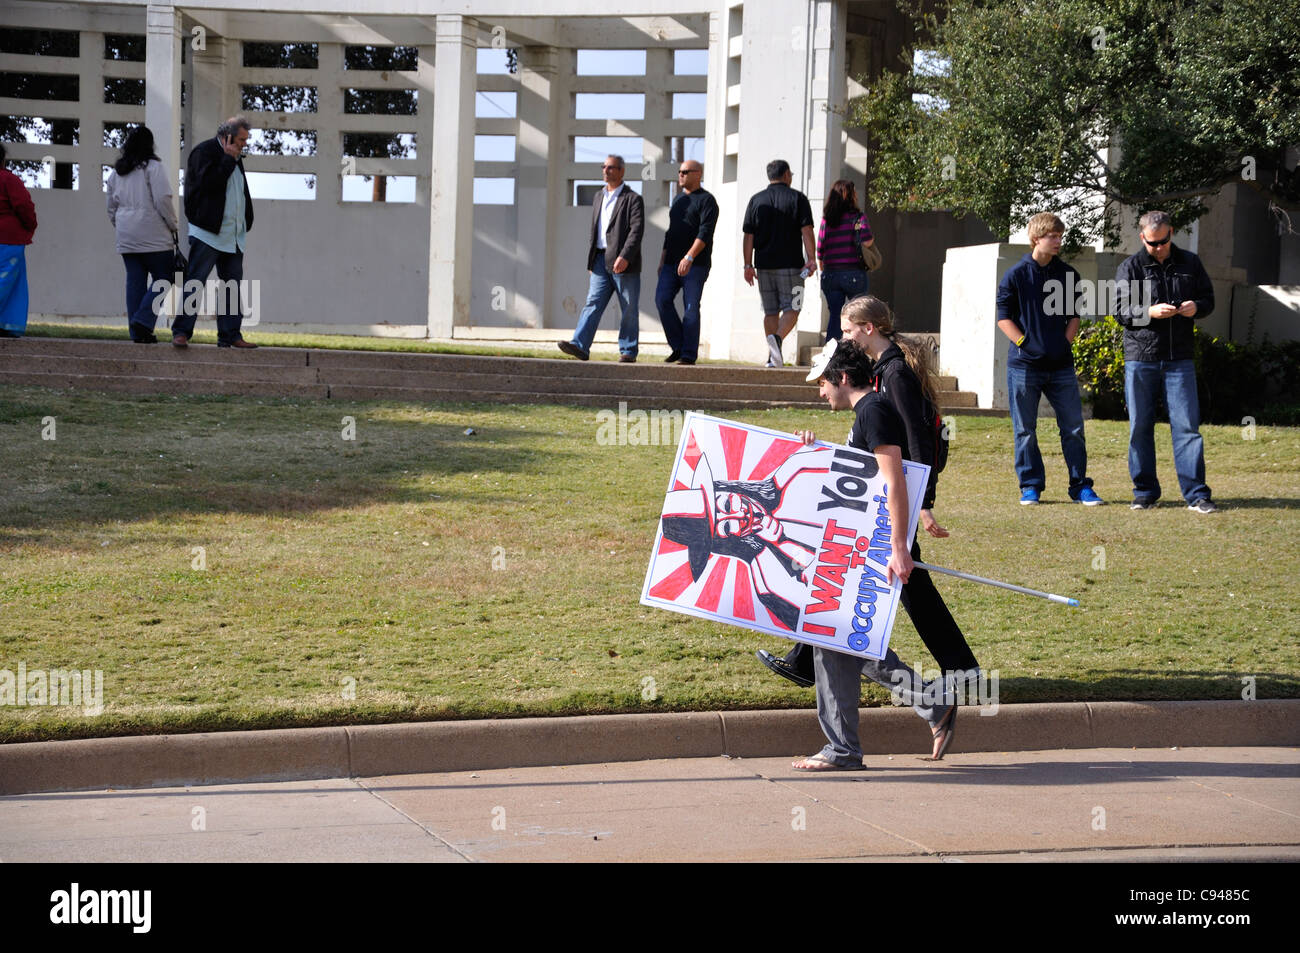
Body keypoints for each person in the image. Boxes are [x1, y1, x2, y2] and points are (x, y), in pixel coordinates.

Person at [757, 296, 980, 701]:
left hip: (896, 498)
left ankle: (960, 673)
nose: (844, 337)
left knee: (893, 585)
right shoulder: (883, 371)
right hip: (885, 497)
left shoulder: (893, 374)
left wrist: (923, 500)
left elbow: (915, 438)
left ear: (868, 329)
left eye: (847, 330)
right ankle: (961, 671)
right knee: (887, 583)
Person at [790, 339, 957, 770]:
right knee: (843, 639)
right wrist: (814, 447)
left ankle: (845, 747)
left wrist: (899, 547)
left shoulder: (875, 410)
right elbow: (857, 476)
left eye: (824, 383)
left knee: (837, 637)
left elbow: (892, 481)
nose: (821, 391)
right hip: (863, 546)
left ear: (843, 378)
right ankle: (927, 707)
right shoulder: (868, 413)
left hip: (874, 549)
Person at [995, 212, 1103, 505]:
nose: (1057, 241)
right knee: (1025, 430)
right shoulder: (1016, 275)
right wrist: (1024, 343)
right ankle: (1030, 486)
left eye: (1059, 236)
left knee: (1073, 428)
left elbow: (1073, 316)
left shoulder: (1068, 275)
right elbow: (1003, 318)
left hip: (1061, 367)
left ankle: (1080, 486)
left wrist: (1062, 345)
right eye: (1052, 236)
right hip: (1024, 367)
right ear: (1036, 238)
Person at [1114, 210, 1217, 513]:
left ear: (1172, 232)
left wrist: (1195, 307)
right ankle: (1144, 492)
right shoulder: (1130, 267)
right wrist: (1149, 312)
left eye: (1164, 241)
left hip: (1180, 358)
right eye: (1152, 243)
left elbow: (1208, 299)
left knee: (1187, 427)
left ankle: (1197, 495)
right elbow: (1120, 310)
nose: (1159, 248)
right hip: (1141, 358)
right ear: (1142, 236)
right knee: (1140, 427)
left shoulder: (1191, 263)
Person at [172, 116, 256, 349]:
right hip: (208, 233)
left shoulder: (236, 158)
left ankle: (230, 335)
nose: (244, 144)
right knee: (196, 281)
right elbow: (209, 185)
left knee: (232, 285)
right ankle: (181, 332)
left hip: (233, 235)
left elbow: (237, 191)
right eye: (241, 139)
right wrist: (228, 159)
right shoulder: (205, 152)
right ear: (227, 136)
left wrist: (246, 220)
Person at [559, 155, 644, 363]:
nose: (606, 171)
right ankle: (580, 345)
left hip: (624, 262)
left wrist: (625, 256)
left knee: (629, 308)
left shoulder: (633, 199)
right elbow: (595, 230)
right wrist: (591, 260)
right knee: (593, 303)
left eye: (611, 168)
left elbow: (636, 230)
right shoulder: (598, 196)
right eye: (604, 167)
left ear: (622, 171)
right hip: (599, 260)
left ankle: (628, 350)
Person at [105, 126, 178, 343]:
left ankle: (137, 332)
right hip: (154, 235)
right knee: (164, 279)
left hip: (127, 236)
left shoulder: (117, 172)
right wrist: (173, 225)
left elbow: (111, 207)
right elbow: (163, 200)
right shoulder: (154, 167)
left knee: (135, 283)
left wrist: (121, 225)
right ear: (150, 145)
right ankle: (144, 321)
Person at [742, 159, 815, 367]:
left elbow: (749, 236)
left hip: (763, 266)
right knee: (794, 307)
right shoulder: (798, 198)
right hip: (793, 266)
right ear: (786, 175)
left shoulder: (756, 200)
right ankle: (777, 339)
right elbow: (807, 231)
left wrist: (748, 265)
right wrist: (811, 259)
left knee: (770, 311)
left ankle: (773, 357)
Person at [655, 159, 717, 365]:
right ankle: (678, 347)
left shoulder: (707, 200)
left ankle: (688, 354)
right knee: (662, 300)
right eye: (679, 171)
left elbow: (705, 232)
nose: (680, 175)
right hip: (671, 263)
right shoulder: (678, 200)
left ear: (698, 174)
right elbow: (671, 232)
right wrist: (663, 259)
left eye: (685, 171)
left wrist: (689, 257)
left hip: (695, 265)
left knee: (691, 307)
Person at [816, 180, 873, 343]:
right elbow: (867, 240)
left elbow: (820, 248)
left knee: (835, 314)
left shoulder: (826, 221)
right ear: (851, 196)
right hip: (853, 272)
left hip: (831, 274)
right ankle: (858, 348)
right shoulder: (858, 217)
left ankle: (831, 354)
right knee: (859, 314)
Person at [0, 143, 38, 338]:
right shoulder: (9, 180)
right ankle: (7, 324)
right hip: (8, 240)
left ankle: (5, 323)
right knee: (8, 283)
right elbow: (24, 206)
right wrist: (31, 226)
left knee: (10, 283)